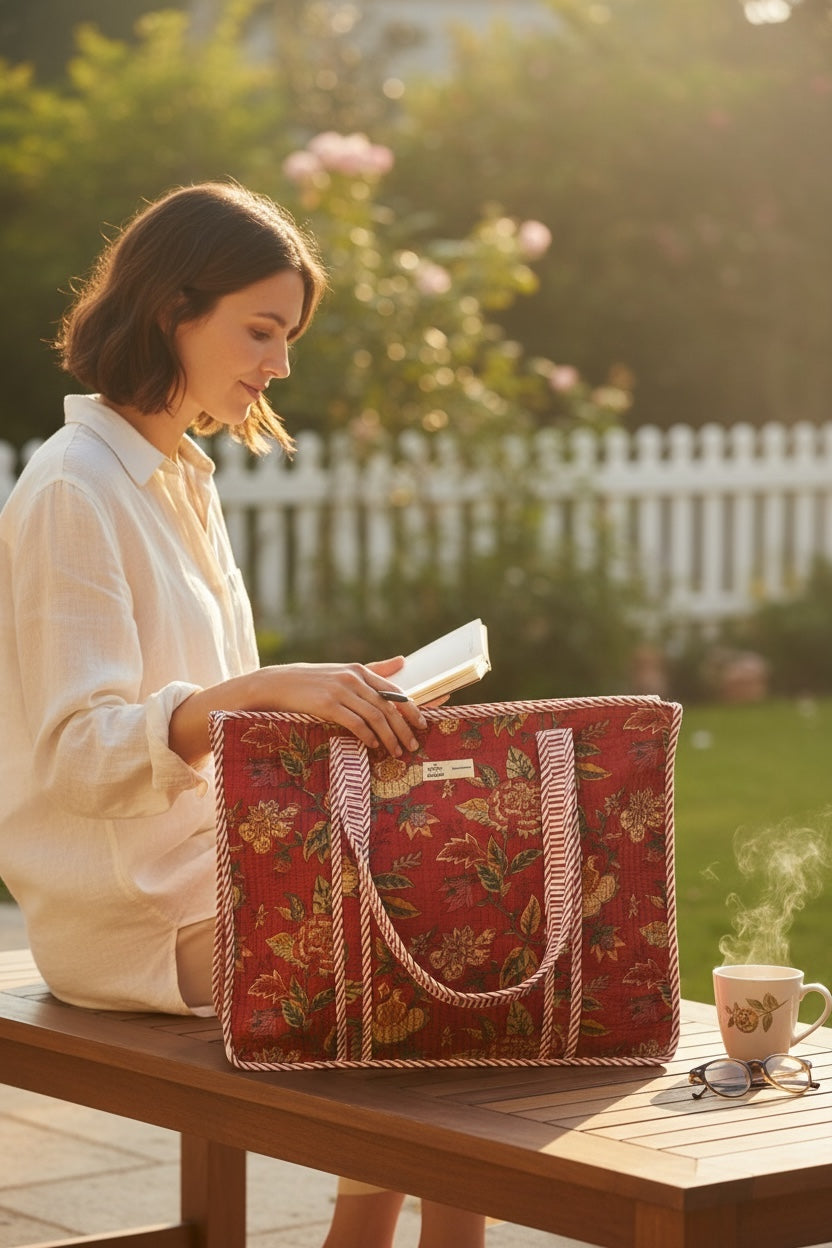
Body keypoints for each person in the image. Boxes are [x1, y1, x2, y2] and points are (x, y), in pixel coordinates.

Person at [0, 181, 486, 1248]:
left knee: (465, 922)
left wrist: (333, 696)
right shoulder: (71, 489)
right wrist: (256, 691)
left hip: (227, 873)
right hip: (130, 915)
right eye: (261, 329)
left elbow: (219, 720)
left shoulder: (180, 478)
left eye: (288, 334)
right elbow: (79, 755)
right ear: (174, 307)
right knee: (440, 966)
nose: (278, 362)